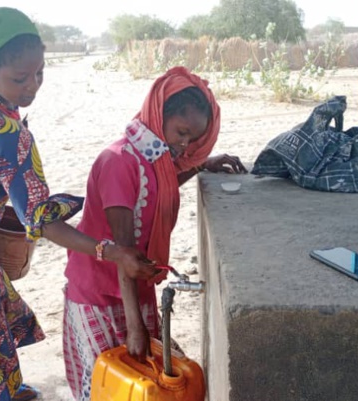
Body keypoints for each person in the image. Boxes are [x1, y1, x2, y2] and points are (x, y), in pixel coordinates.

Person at [0, 8, 155, 401]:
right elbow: (40, 223)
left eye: (39, 73)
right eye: (19, 78)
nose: (31, 87)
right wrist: (108, 251)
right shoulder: (6, 133)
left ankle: (10, 386)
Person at [61, 66, 247, 400]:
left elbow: (157, 191)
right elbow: (124, 250)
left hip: (136, 290)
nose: (184, 143)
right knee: (110, 383)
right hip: (100, 294)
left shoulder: (153, 160)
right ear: (158, 113)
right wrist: (136, 327)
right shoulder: (118, 161)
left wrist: (202, 164)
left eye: (193, 138)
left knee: (142, 382)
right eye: (181, 131)